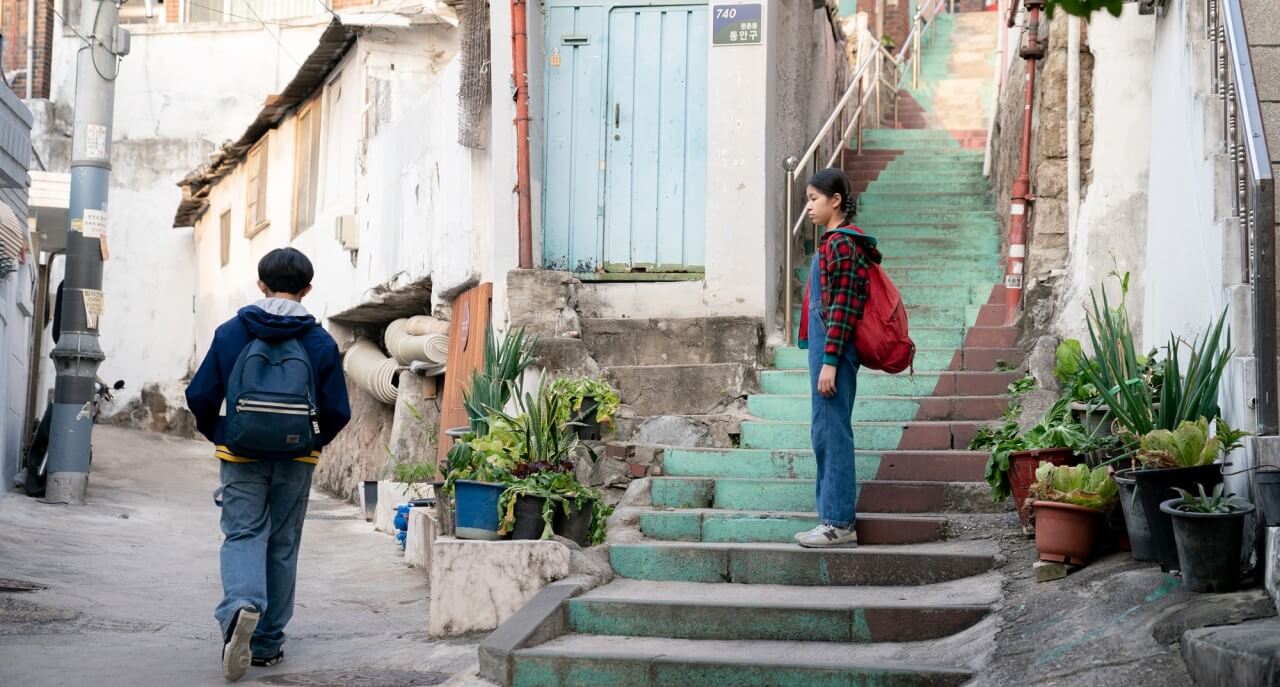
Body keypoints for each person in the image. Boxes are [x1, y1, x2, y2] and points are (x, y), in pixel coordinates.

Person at [186, 248, 351, 681]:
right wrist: (313, 442)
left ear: (260, 284)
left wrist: (219, 432)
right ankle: (267, 644)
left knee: (242, 533)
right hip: (297, 457)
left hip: (241, 454)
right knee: (282, 543)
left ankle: (242, 604)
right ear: (308, 289)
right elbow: (338, 410)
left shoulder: (230, 332)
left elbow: (200, 395)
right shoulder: (319, 341)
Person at [794, 168, 881, 548]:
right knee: (824, 433)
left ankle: (839, 523)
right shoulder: (832, 243)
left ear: (836, 201)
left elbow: (844, 307)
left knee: (833, 432)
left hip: (835, 351)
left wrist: (830, 359)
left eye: (814, 199)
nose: (809, 207)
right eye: (807, 200)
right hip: (828, 349)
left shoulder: (842, 245)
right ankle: (829, 518)